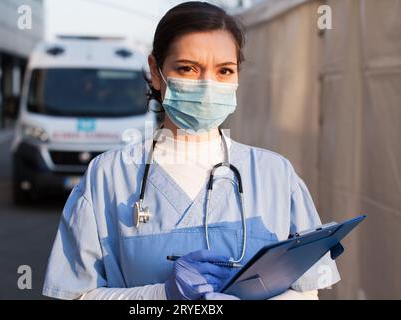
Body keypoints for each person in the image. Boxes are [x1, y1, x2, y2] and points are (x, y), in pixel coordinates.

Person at [42, 1, 340, 300]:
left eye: (224, 71)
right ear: (156, 73)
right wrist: (163, 295)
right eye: (187, 68)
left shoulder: (275, 176)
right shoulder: (109, 176)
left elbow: (306, 292)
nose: (208, 85)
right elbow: (75, 296)